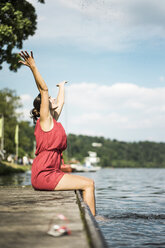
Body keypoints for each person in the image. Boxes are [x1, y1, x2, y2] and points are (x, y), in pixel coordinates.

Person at [19, 51, 96, 216]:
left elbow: (61, 102)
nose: (53, 99)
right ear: (43, 107)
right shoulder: (45, 120)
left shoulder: (53, 121)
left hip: (51, 172)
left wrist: (61, 86)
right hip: (44, 174)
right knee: (88, 184)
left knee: (87, 184)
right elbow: (44, 89)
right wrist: (33, 67)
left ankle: (91, 216)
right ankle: (94, 220)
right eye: (49, 100)